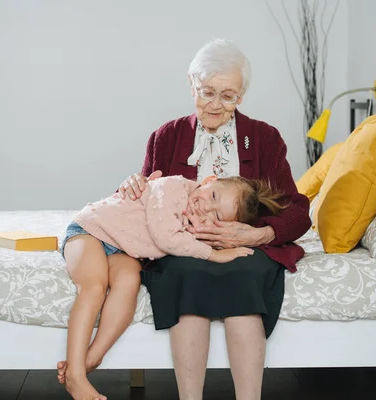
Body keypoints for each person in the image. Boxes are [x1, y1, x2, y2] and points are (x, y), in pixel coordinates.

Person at [117, 39, 311, 400]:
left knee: (243, 278)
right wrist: (131, 186)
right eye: (207, 92)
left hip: (245, 247)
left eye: (228, 96)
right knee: (186, 276)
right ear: (191, 85)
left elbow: (298, 213)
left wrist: (258, 235)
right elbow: (145, 198)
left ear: (241, 96)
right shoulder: (167, 136)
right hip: (181, 248)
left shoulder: (265, 138)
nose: (216, 105)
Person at [57, 174, 286, 400]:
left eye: (216, 215)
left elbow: (190, 240)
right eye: (213, 195)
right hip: (90, 230)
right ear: (207, 180)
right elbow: (166, 238)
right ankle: (76, 377)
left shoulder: (195, 214)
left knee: (128, 283)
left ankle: (90, 360)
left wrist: (205, 230)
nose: (206, 207)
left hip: (121, 248)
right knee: (94, 287)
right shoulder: (172, 187)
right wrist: (214, 255)